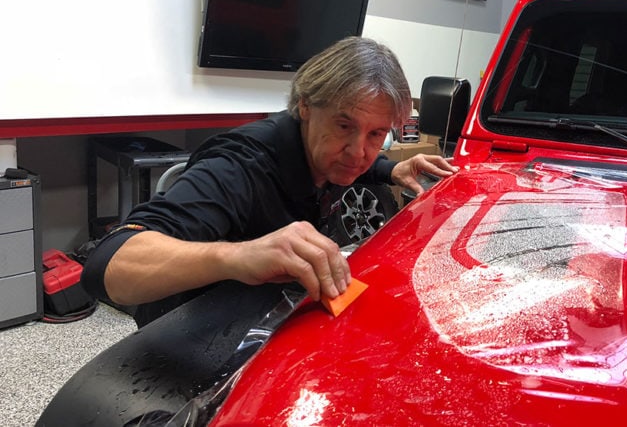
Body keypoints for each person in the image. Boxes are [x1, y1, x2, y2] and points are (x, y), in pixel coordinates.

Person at [82, 36, 459, 327]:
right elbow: (108, 264)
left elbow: (357, 160)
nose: (359, 152)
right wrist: (238, 255)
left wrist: (390, 169)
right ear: (307, 106)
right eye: (345, 126)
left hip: (267, 316)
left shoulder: (334, 153)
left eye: (376, 134)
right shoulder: (239, 165)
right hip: (188, 336)